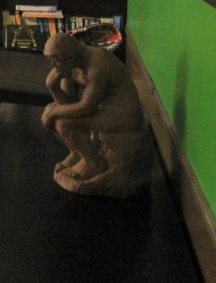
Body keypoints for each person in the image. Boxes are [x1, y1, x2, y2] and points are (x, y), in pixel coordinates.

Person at [41, 33, 143, 180]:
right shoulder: (73, 65)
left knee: (63, 123)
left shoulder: (98, 64)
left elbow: (86, 107)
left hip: (123, 114)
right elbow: (66, 105)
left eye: (55, 61)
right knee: (52, 113)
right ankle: (77, 153)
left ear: (69, 57)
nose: (53, 66)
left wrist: (53, 112)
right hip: (102, 109)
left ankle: (94, 163)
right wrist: (53, 87)